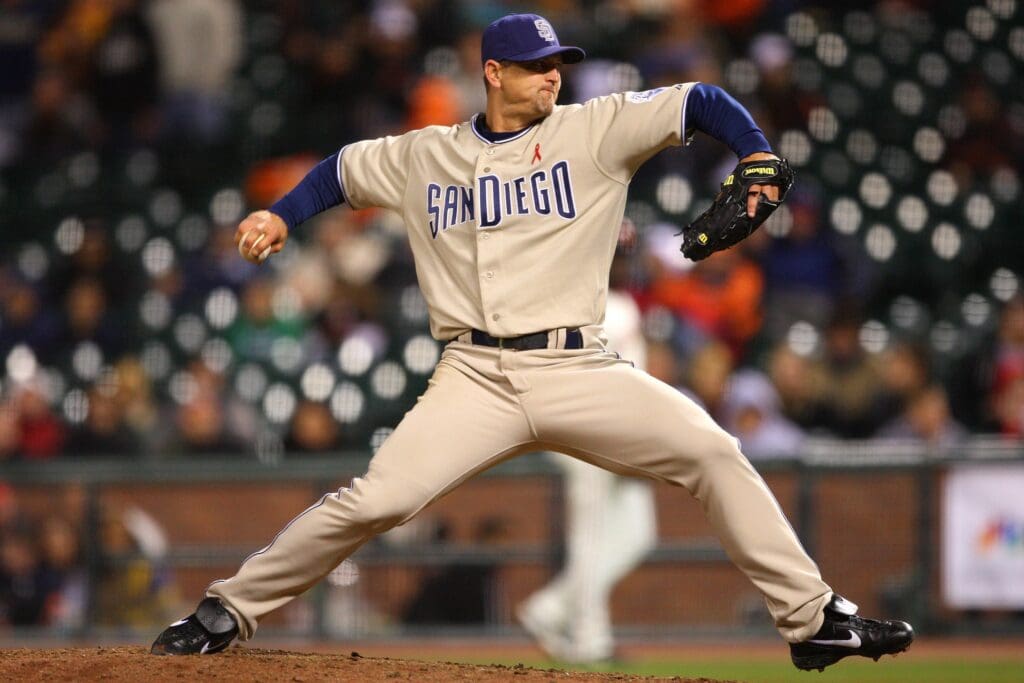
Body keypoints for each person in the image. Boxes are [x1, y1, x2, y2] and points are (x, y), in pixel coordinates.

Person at [151, 14, 913, 672]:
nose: (554, 76)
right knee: (376, 499)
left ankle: (812, 619)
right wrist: (281, 215)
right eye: (537, 65)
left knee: (713, 452)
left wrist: (755, 153)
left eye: (558, 65)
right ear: (493, 73)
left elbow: (700, 100)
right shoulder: (426, 155)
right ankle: (227, 609)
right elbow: (342, 171)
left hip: (577, 365)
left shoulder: (593, 129)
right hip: (473, 375)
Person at [517, 228, 658, 663]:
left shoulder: (612, 303)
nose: (623, 263)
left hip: (617, 432)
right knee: (590, 539)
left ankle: (549, 609)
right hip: (588, 433)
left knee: (637, 534)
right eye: (618, 255)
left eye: (626, 255)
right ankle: (590, 639)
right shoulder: (586, 304)